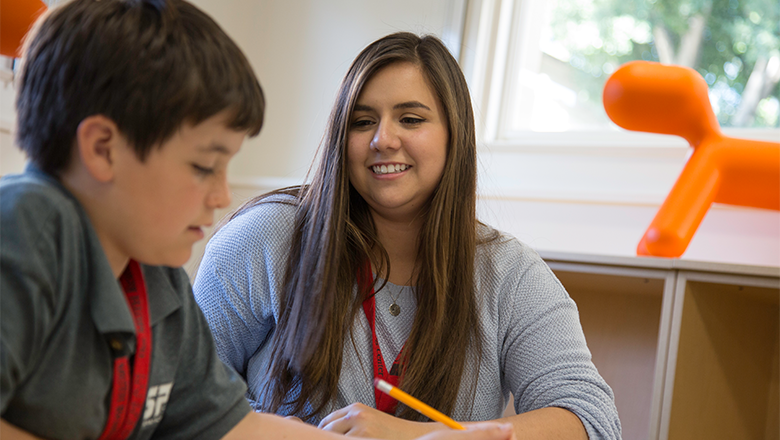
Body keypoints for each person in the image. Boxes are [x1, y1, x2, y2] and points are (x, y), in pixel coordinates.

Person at [0, 2, 518, 440]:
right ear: (102, 148)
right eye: (204, 166)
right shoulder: (24, 231)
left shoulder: (156, 282)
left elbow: (236, 428)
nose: (223, 196)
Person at [194, 31, 622, 439]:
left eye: (411, 119)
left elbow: (592, 421)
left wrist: (415, 436)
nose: (383, 139)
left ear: (455, 135)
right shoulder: (265, 238)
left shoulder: (510, 273)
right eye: (362, 122)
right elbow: (183, 394)